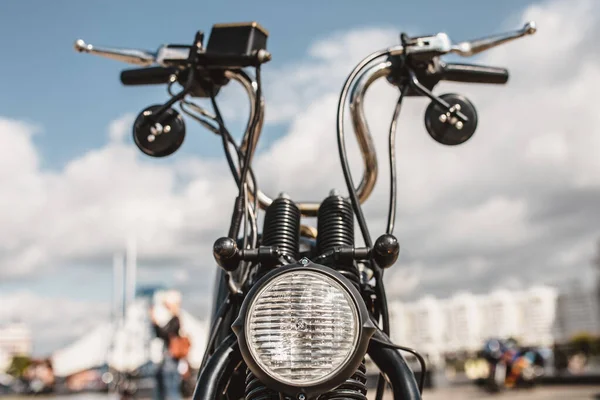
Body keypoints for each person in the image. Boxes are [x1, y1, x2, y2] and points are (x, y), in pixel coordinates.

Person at [150, 291, 183, 400]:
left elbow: (163, 333)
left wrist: (154, 321)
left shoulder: (176, 319)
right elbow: (160, 334)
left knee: (171, 390)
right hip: (167, 359)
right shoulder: (174, 319)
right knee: (164, 388)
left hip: (170, 359)